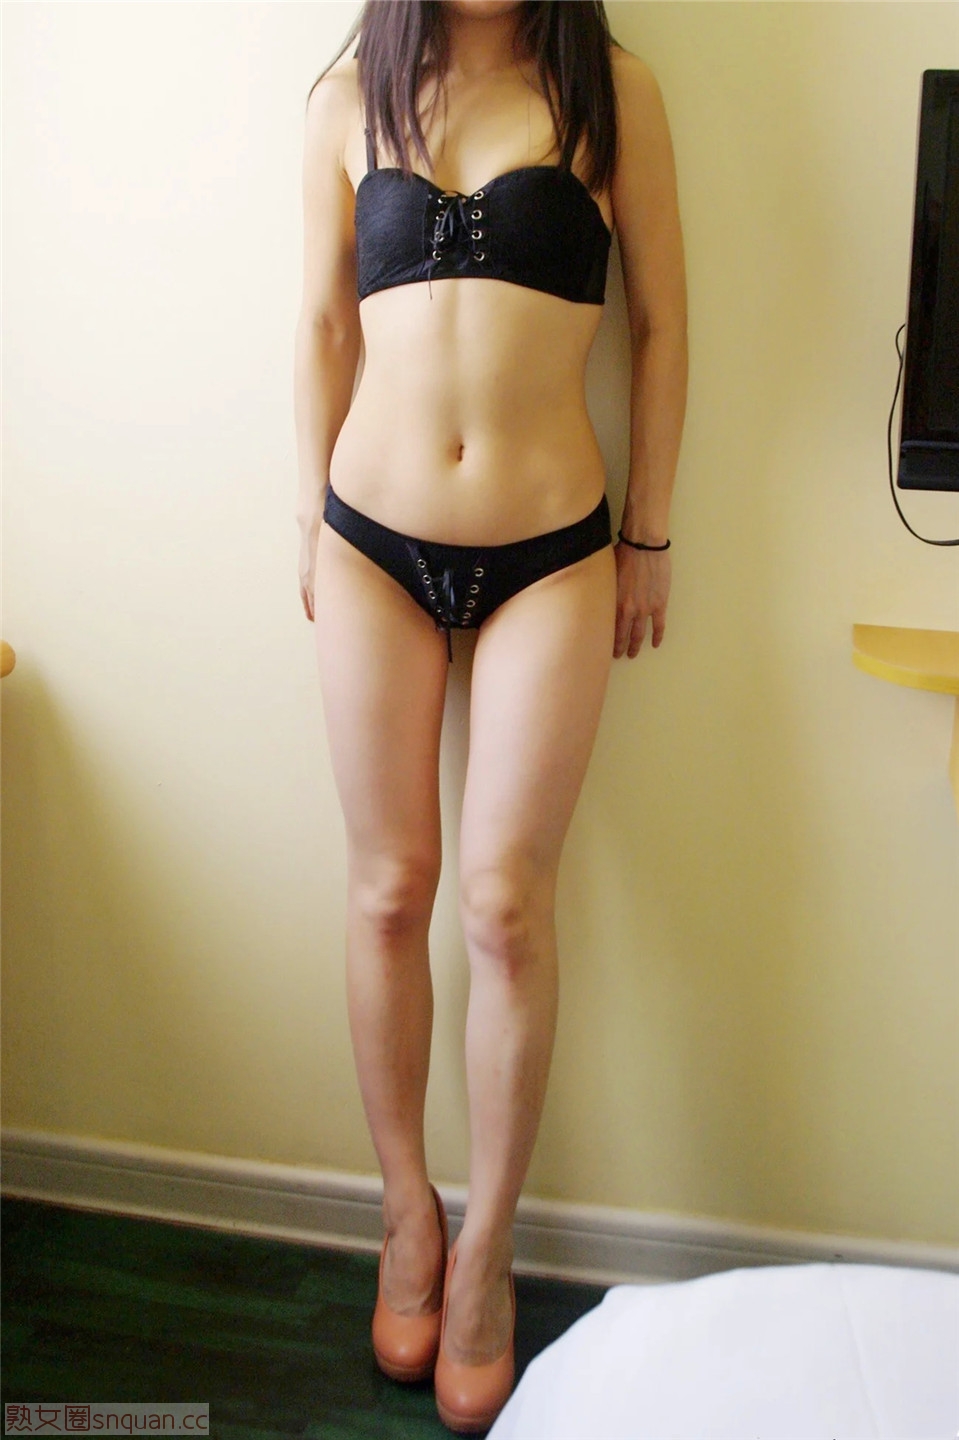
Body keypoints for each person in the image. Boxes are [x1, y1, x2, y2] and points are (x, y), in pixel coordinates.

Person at [293, 1, 687, 1430]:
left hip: (555, 553)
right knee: (389, 890)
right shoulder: (348, 96)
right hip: (369, 545)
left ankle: (488, 1250)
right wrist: (303, 519)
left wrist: (649, 532)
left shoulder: (615, 92)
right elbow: (321, 325)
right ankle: (408, 1213)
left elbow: (662, 324)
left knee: (507, 907)